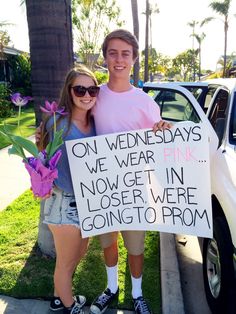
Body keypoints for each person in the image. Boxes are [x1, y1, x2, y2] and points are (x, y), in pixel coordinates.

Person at [89, 29, 171, 314]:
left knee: (135, 246)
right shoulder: (93, 96)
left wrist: (163, 131)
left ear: (134, 59)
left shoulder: (146, 102)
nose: (119, 59)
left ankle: (137, 294)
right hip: (102, 186)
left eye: (125, 54)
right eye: (113, 53)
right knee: (108, 242)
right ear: (105, 58)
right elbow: (72, 124)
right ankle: (111, 288)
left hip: (136, 187)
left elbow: (161, 143)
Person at [39, 65, 100, 314]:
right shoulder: (59, 125)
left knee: (78, 255)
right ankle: (69, 306)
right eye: (80, 89)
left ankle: (58, 298)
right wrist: (42, 183)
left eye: (92, 89)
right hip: (64, 202)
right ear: (69, 91)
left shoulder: (96, 122)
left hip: (88, 201)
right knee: (65, 263)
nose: (86, 95)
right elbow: (41, 161)